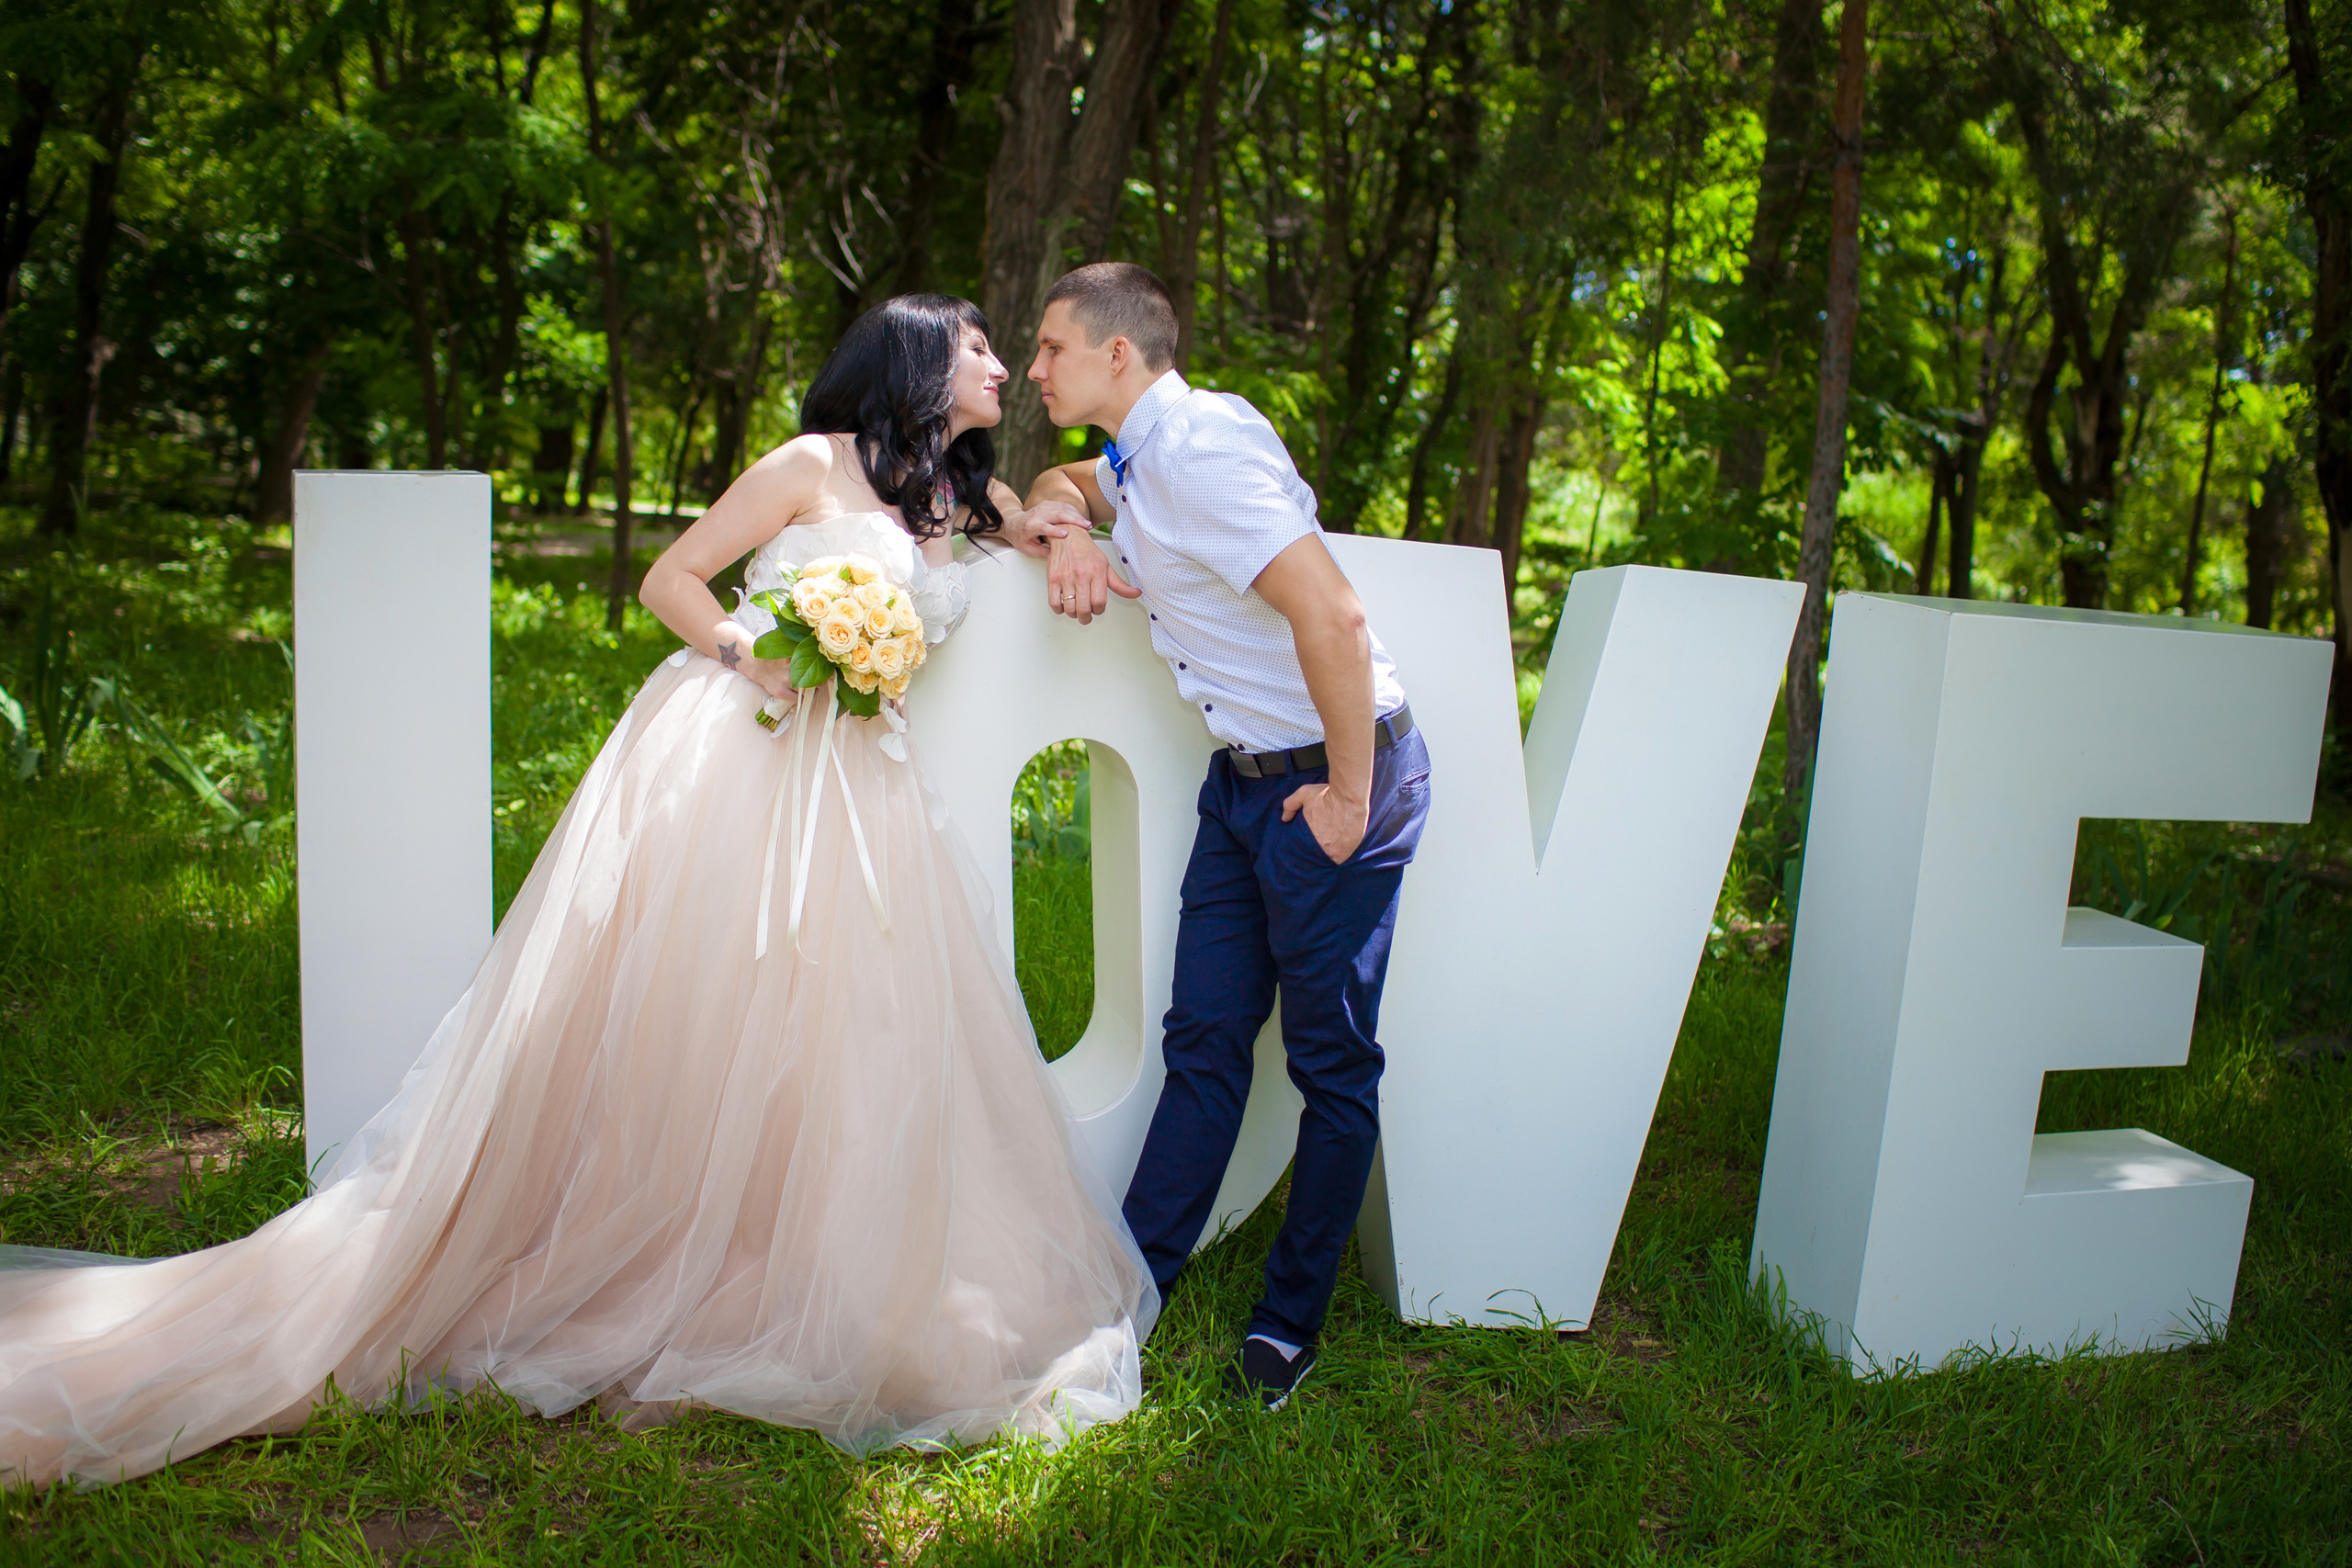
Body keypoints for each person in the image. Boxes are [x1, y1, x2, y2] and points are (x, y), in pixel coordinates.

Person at [0, 295, 1158, 1489]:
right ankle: (633, 1245)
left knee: (845, 1029)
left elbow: (1072, 491)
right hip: (742, 755)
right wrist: (749, 648)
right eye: (979, 348)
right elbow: (674, 576)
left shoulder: (956, 499)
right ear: (918, 359)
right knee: (700, 1010)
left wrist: (1062, 532)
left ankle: (794, 1262)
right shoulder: (808, 463)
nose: (1004, 367)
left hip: (861, 790)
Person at [1020, 263, 1431, 1412]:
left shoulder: (1199, 448)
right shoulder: (1142, 460)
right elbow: (1064, 481)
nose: (1034, 368)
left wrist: (1349, 800)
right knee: (1204, 1038)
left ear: (1117, 354)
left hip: (1335, 784)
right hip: (1243, 788)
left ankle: (1288, 1324)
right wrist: (1059, 524)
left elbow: (1332, 613)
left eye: (1051, 348)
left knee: (1329, 1068)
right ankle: (1131, 1300)